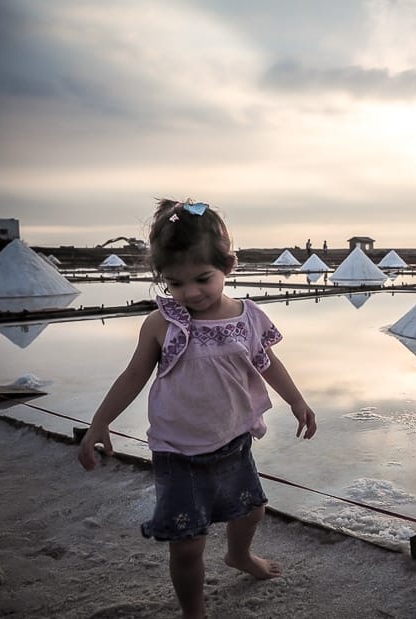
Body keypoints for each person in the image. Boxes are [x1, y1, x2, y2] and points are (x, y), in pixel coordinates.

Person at [78, 198, 317, 619]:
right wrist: (100, 422)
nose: (190, 293)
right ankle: (194, 611)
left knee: (253, 510)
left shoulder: (248, 317)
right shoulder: (162, 324)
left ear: (230, 265)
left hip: (234, 439)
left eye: (203, 279)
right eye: (174, 283)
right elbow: (134, 376)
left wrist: (296, 400)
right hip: (178, 452)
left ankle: (239, 556)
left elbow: (267, 363)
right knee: (188, 545)